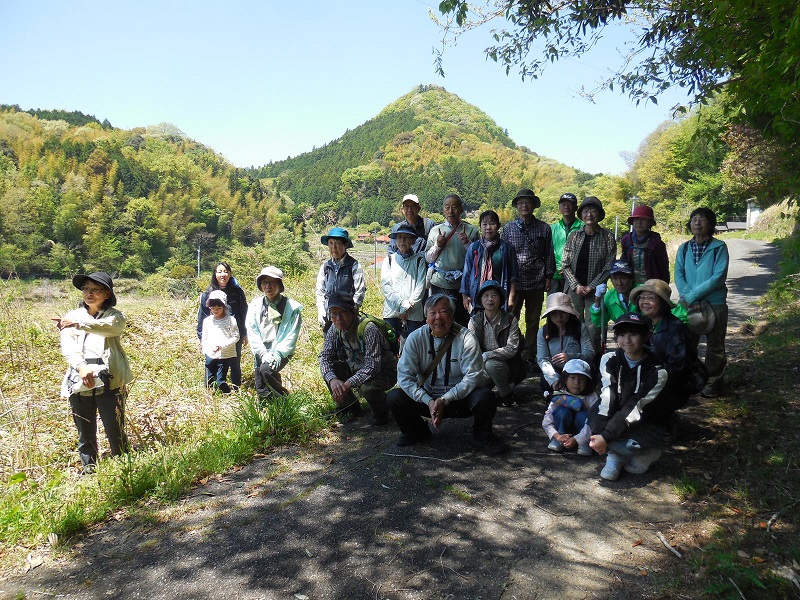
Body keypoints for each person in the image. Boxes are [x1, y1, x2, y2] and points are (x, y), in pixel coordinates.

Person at [387, 293, 504, 454]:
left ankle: (482, 435)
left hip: (459, 400)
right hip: (427, 399)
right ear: (425, 316)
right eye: (433, 313)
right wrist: (428, 401)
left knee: (486, 397)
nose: (438, 318)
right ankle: (416, 432)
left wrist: (445, 399)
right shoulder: (415, 338)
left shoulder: (466, 338)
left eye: (443, 312)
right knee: (395, 397)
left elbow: (473, 376)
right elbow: (405, 377)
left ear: (452, 315)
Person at [54, 272, 132, 475]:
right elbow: (68, 347)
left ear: (106, 294)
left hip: (111, 379)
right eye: (86, 289)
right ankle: (90, 471)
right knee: (85, 430)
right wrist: (81, 367)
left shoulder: (114, 316)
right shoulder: (71, 316)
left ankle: (124, 468)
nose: (89, 293)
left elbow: (111, 329)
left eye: (95, 289)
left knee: (114, 427)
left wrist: (79, 324)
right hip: (79, 378)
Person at [589, 313, 669, 481]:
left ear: (645, 336)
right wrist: (600, 432)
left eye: (633, 334)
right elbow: (607, 396)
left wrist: (606, 436)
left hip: (645, 421)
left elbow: (635, 405)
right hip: (617, 417)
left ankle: (647, 453)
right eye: (622, 334)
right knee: (593, 421)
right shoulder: (609, 359)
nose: (627, 340)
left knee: (631, 444)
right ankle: (614, 455)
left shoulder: (657, 371)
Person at [674, 207, 730, 397]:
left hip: (714, 302)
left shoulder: (719, 247)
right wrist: (689, 297)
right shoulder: (684, 248)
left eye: (702, 219)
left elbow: (718, 277)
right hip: (689, 303)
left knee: (715, 344)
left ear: (711, 224)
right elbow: (679, 276)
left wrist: (692, 297)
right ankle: (691, 378)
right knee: (687, 343)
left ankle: (713, 382)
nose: (697, 222)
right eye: (694, 219)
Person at [319, 295, 398, 425]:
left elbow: (372, 367)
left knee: (367, 388)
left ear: (353, 312)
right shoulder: (334, 328)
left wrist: (347, 384)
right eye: (334, 314)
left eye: (343, 313)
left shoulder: (368, 329)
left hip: (384, 371)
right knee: (331, 368)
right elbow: (324, 356)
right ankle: (349, 408)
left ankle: (383, 413)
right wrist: (332, 380)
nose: (338, 319)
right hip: (356, 367)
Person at [500, 188, 555, 366]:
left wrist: (548, 276)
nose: (524, 205)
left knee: (533, 320)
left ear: (534, 205)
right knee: (511, 318)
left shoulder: (544, 228)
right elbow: (504, 256)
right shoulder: (508, 229)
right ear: (516, 206)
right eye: (520, 202)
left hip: (537, 281)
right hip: (515, 283)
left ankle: (530, 354)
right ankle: (515, 349)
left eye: (528, 202)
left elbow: (549, 255)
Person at [630, 279, 696, 417]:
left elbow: (678, 369)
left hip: (668, 385)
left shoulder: (675, 329)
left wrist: (650, 381)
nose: (645, 302)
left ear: (663, 302)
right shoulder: (644, 324)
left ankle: (666, 421)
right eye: (642, 297)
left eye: (651, 297)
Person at [561, 196, 617, 355]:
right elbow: (565, 263)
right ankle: (574, 359)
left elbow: (609, 265)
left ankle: (594, 361)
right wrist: (577, 286)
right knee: (573, 324)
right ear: (581, 214)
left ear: (599, 214)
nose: (589, 214)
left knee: (594, 327)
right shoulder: (574, 236)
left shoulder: (607, 236)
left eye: (593, 210)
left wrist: (591, 286)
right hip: (574, 289)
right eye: (586, 211)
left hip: (596, 291)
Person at [246, 266, 303, 399]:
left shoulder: (292, 308)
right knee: (260, 379)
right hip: (261, 348)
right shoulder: (255, 306)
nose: (268, 286)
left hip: (282, 349)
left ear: (279, 285)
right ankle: (266, 408)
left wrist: (277, 354)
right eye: (265, 282)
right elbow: (252, 331)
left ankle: (284, 400)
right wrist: (262, 352)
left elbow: (291, 335)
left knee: (266, 370)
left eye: (272, 282)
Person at [425, 194, 480, 326]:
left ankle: (462, 346)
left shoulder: (471, 230)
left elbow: (478, 259)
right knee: (440, 319)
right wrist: (438, 245)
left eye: (454, 207)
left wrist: (467, 243)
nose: (451, 211)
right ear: (443, 210)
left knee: (462, 320)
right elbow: (428, 258)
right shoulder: (435, 231)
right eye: (447, 207)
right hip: (439, 283)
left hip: (463, 285)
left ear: (461, 209)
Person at [468, 280, 525, 407]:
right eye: (486, 296)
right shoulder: (474, 321)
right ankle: (497, 390)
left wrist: (488, 355)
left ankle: (506, 394)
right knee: (474, 388)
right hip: (482, 366)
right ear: (481, 300)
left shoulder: (510, 320)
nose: (490, 299)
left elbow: (512, 349)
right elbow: (471, 350)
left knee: (492, 364)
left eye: (494, 295)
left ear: (500, 299)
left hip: (509, 365)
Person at [196, 262, 248, 388]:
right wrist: (201, 336)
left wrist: (245, 333)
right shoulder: (207, 294)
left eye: (225, 271)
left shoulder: (237, 292)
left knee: (234, 363)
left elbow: (243, 312)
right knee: (211, 361)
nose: (223, 274)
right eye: (219, 272)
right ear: (215, 274)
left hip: (232, 333)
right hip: (214, 335)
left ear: (230, 274)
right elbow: (202, 316)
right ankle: (210, 389)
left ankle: (236, 389)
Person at [460, 210, 518, 314]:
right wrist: (465, 296)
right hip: (477, 297)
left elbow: (513, 275)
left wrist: (511, 296)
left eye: (492, 223)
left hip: (499, 298)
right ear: (480, 226)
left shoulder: (507, 248)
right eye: (484, 224)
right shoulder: (474, 247)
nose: (488, 228)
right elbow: (466, 273)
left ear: (498, 226)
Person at [537, 292, 594, 395]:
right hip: (555, 370)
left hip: (578, 370)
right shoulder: (543, 331)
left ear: (569, 313)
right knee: (545, 383)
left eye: (563, 312)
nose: (559, 317)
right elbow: (543, 359)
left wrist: (570, 357)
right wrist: (553, 380)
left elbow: (589, 354)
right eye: (554, 313)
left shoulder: (580, 328)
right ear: (549, 315)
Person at [381, 224, 428, 343]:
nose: (402, 241)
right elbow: (386, 287)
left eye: (406, 237)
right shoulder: (389, 260)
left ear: (413, 241)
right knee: (390, 347)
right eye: (399, 237)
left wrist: (408, 308)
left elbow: (421, 286)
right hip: (392, 312)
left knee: (413, 347)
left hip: (413, 313)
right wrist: (402, 304)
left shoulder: (419, 260)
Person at [542, 359, 598, 455]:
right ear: (565, 379)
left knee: (584, 414)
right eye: (572, 378)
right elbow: (548, 417)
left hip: (584, 432)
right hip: (561, 433)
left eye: (582, 379)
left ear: (588, 381)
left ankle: (584, 443)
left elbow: (595, 420)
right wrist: (556, 435)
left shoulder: (591, 396)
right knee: (562, 411)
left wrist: (578, 439)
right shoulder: (560, 394)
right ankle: (559, 440)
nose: (576, 383)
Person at [315, 227, 365, 331]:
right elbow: (320, 291)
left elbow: (359, 292)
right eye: (331, 243)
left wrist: (351, 313)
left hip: (348, 318)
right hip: (329, 316)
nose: (334, 247)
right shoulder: (325, 266)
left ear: (345, 245)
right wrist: (321, 310)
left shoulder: (354, 265)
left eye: (337, 243)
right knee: (330, 345)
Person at [200, 290, 240, 394]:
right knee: (208, 377)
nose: (216, 310)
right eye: (213, 308)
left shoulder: (231, 320)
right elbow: (205, 337)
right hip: (210, 352)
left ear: (224, 306)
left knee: (220, 379)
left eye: (219, 308)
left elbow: (236, 336)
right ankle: (210, 395)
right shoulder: (207, 321)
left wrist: (222, 345)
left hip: (225, 354)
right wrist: (205, 349)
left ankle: (226, 394)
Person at [620, 205, 670, 284]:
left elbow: (663, 269)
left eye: (643, 219)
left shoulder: (657, 243)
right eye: (636, 219)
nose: (639, 223)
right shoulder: (626, 240)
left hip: (652, 287)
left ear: (650, 223)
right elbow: (623, 264)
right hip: (630, 286)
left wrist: (664, 288)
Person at [550, 192, 583, 294]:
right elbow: (548, 252)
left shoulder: (583, 227)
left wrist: (567, 270)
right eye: (563, 204)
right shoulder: (552, 228)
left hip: (577, 277)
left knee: (573, 308)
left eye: (570, 204)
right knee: (554, 307)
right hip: (555, 276)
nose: (566, 207)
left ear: (576, 207)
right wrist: (560, 268)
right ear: (559, 208)